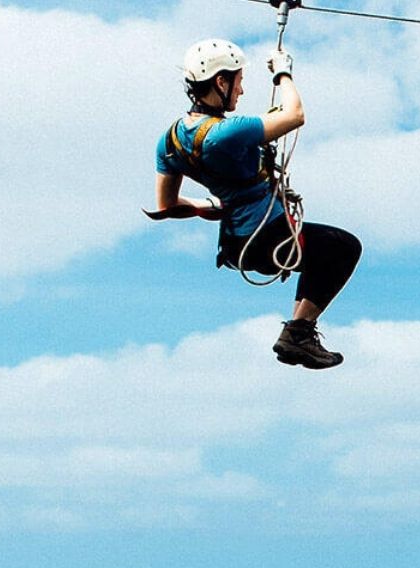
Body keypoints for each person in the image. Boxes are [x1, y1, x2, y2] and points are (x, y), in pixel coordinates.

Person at [149, 39, 361, 370]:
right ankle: (299, 332)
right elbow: (295, 115)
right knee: (343, 248)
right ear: (220, 81)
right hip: (268, 238)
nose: (241, 91)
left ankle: (298, 334)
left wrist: (211, 204)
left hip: (236, 244)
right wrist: (283, 72)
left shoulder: (170, 141)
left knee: (325, 250)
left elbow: (166, 205)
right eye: (238, 81)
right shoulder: (230, 132)